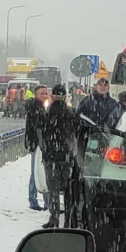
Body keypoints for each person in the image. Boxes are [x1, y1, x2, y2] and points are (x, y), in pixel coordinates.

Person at [39, 84, 82, 229]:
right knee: (69, 189)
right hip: (67, 157)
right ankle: (69, 219)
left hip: (51, 157)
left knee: (53, 189)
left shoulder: (46, 114)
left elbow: (41, 135)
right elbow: (78, 133)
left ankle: (54, 218)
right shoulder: (72, 113)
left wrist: (45, 150)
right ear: (65, 96)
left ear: (51, 96)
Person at [24, 85, 51, 212]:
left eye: (46, 93)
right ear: (36, 95)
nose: (45, 96)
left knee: (45, 172)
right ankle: (33, 201)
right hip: (37, 145)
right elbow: (36, 127)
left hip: (45, 145)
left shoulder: (45, 108)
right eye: (42, 94)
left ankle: (47, 202)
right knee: (36, 173)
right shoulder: (34, 109)